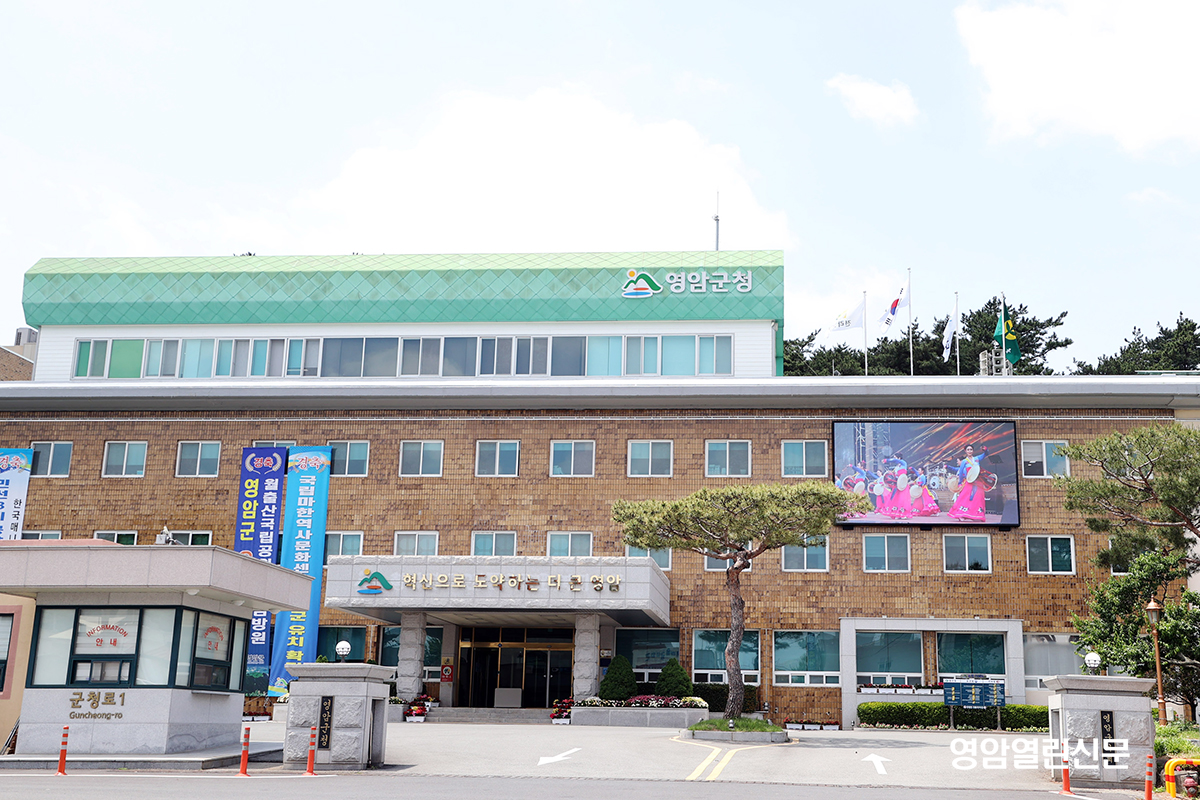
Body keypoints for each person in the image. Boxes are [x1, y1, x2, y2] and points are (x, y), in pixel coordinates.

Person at [948, 444, 988, 522]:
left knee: (978, 498)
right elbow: (960, 473)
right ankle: (961, 514)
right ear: (965, 451)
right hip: (969, 482)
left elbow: (986, 454)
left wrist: (985, 449)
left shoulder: (977, 459)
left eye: (971, 449)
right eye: (968, 450)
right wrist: (960, 483)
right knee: (965, 497)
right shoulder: (964, 461)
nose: (969, 451)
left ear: (973, 451)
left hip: (978, 481)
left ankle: (976, 515)